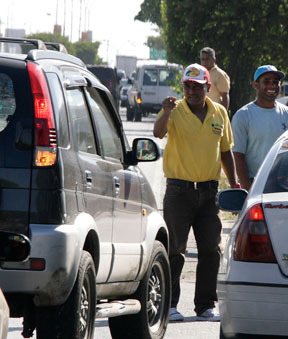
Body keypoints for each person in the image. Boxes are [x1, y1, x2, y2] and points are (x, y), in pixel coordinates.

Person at [153, 63, 239, 322]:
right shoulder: (174, 109)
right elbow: (158, 132)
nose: (191, 91)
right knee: (175, 250)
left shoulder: (219, 112)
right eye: (187, 86)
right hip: (179, 192)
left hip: (209, 193)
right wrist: (166, 113)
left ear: (207, 87)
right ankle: (170, 304)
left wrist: (234, 185)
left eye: (197, 87)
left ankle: (205, 305)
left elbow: (226, 151)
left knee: (211, 250)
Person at [232, 64, 288, 191]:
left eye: (275, 82)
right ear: (256, 85)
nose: (272, 86)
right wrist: (248, 190)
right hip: (256, 183)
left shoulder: (286, 113)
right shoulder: (243, 115)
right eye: (266, 81)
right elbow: (238, 156)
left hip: (284, 183)